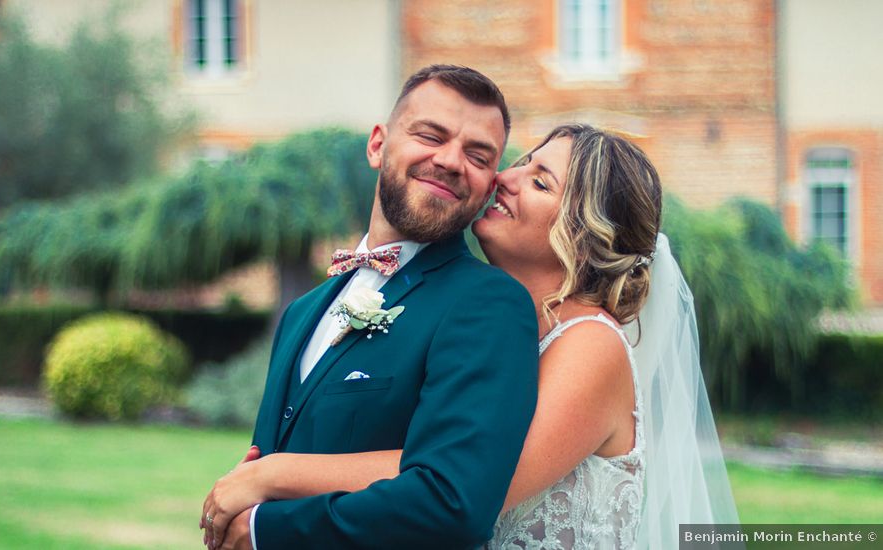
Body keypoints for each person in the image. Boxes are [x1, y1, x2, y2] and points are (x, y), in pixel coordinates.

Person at [203, 123, 740, 548]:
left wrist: (273, 477)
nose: (505, 178)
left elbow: (465, 479)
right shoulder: (495, 330)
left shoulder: (590, 345)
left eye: (539, 181)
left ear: (583, 231)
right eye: (523, 162)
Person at [201, 65, 540, 550]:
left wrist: (263, 530)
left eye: (477, 155)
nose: (449, 160)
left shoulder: (488, 304)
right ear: (378, 144)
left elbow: (451, 503)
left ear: (488, 186)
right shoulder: (302, 312)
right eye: (430, 135)